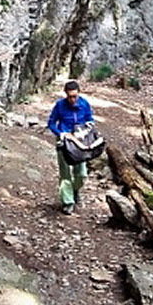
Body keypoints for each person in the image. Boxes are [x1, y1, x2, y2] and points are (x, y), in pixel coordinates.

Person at [47, 79, 94, 214]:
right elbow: (51, 123)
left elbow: (90, 120)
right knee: (65, 173)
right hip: (64, 142)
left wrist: (85, 130)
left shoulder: (84, 104)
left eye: (74, 96)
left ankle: (75, 189)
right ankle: (68, 202)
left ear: (78, 93)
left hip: (79, 142)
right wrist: (60, 134)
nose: (72, 99)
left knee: (81, 174)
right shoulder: (59, 105)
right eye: (69, 96)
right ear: (65, 94)